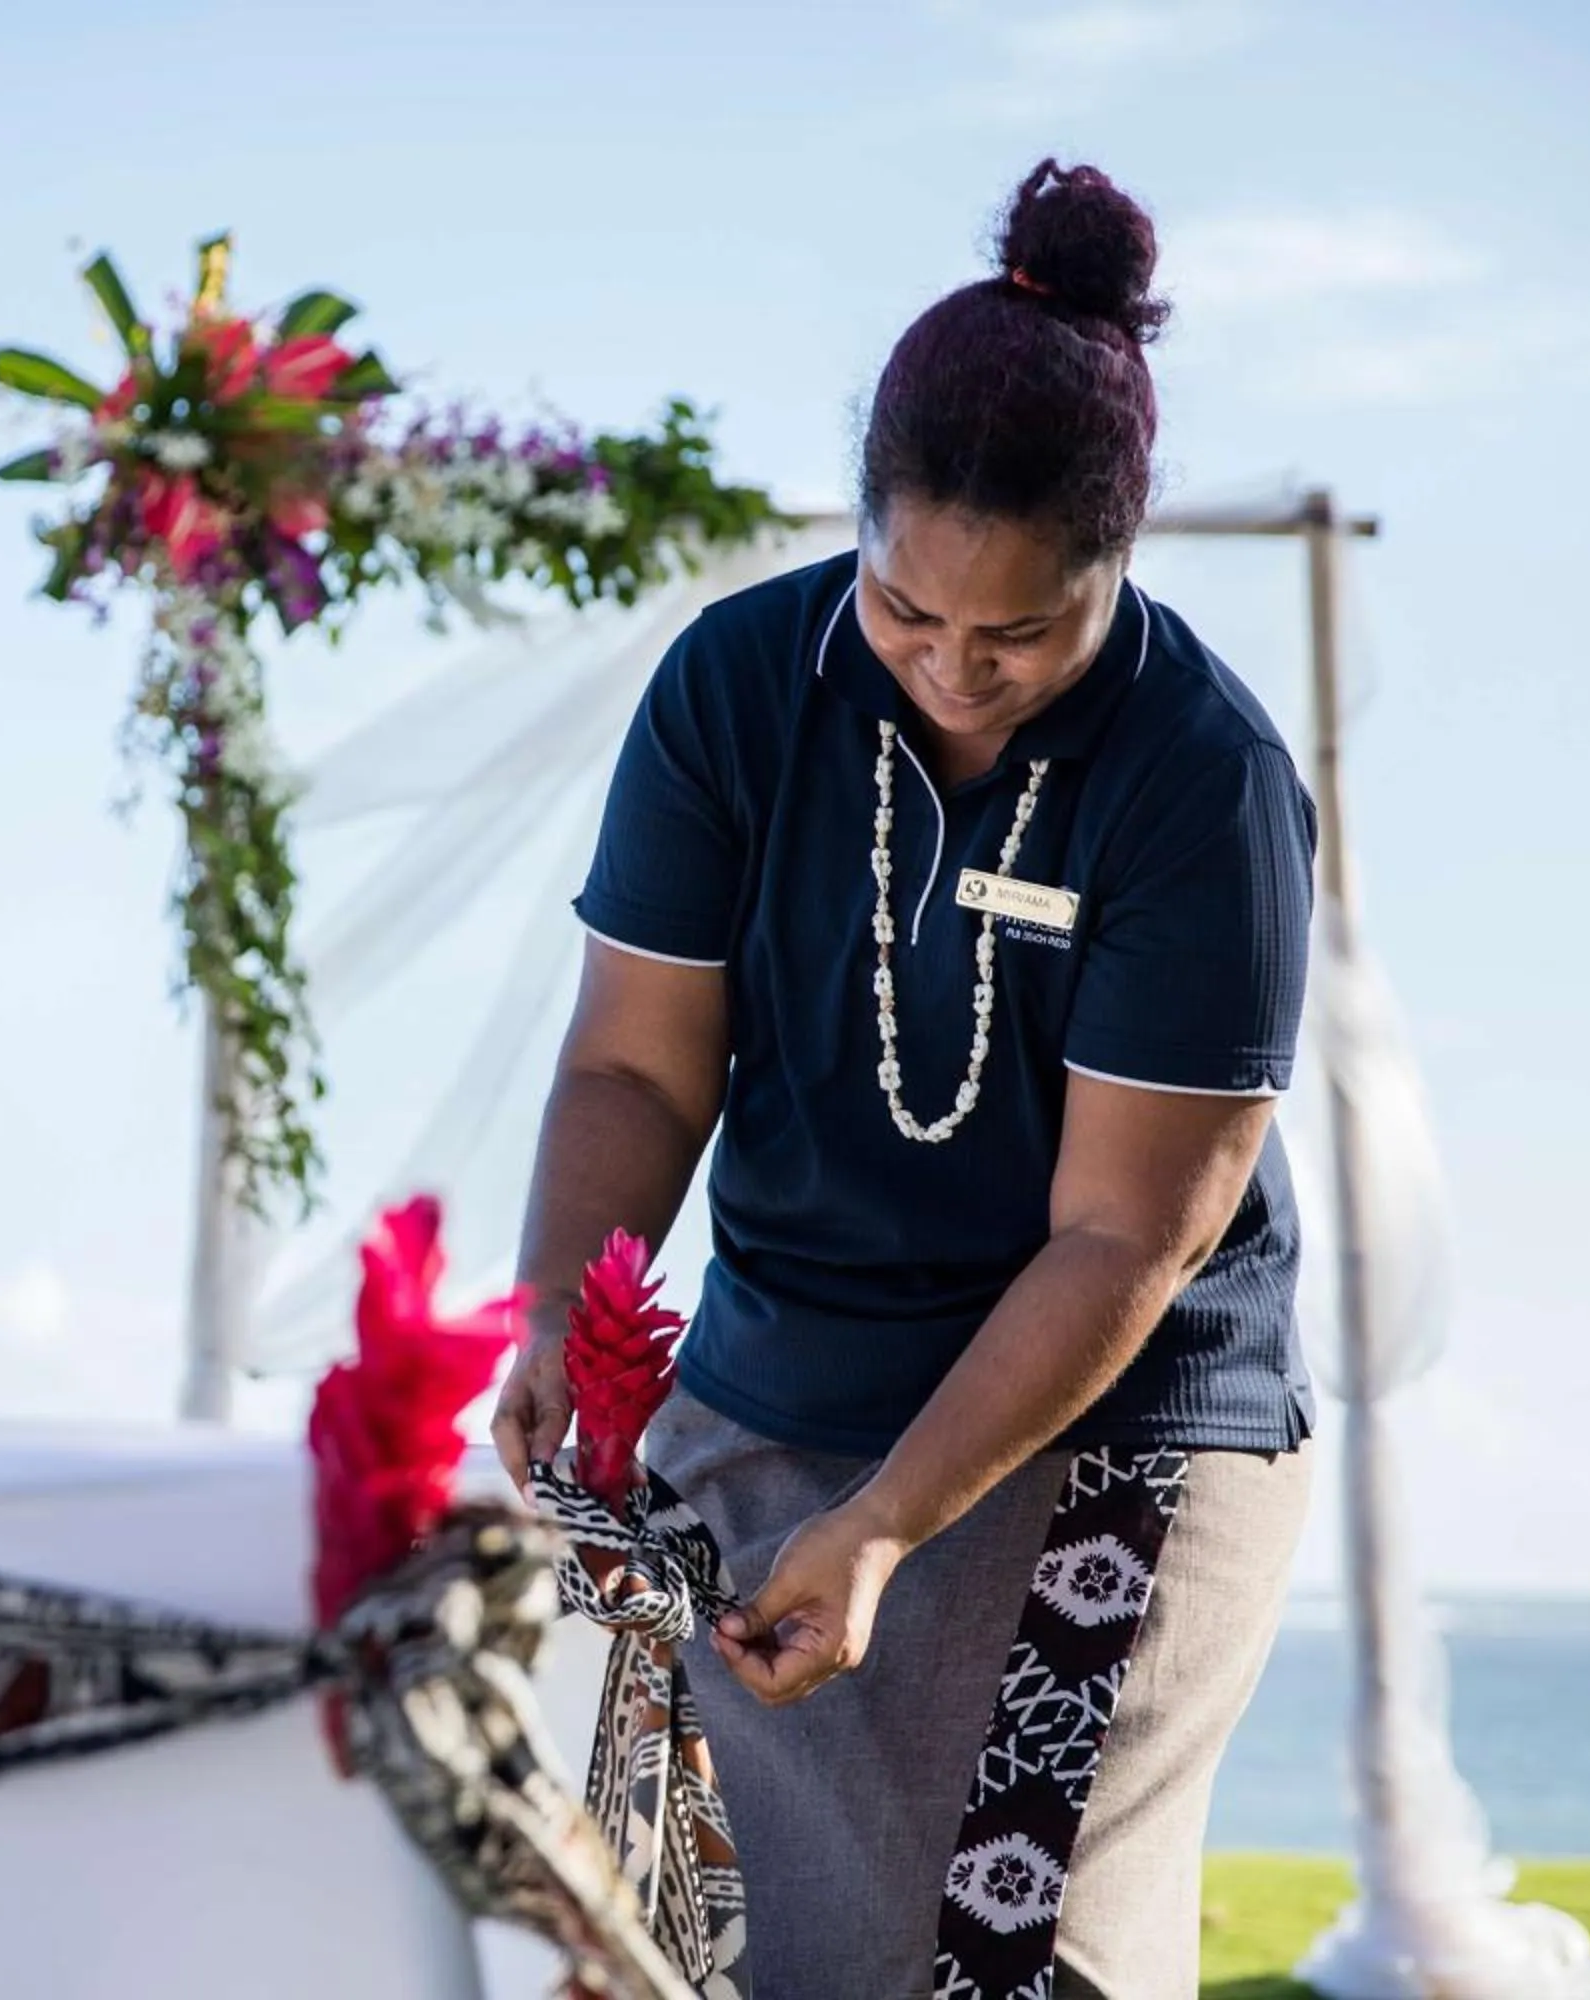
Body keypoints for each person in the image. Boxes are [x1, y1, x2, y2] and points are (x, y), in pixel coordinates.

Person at [493, 160, 1318, 1999]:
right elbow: (634, 1066)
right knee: (686, 1932)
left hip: (1111, 1420)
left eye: (1019, 634)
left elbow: (1123, 1238)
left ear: (1121, 558)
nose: (953, 668)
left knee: (1006, 1959)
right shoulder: (730, 691)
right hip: (780, 1379)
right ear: (858, 530)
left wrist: (880, 1527)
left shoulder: (1206, 782)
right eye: (903, 610)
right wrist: (562, 1305)